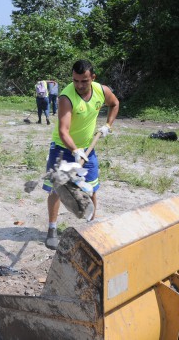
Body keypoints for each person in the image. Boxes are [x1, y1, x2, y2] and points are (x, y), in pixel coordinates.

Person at [42, 60, 119, 250]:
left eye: (84, 81)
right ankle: (52, 229)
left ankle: (91, 227)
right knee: (57, 189)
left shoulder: (102, 91)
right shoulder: (66, 98)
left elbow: (115, 104)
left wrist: (108, 125)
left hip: (87, 148)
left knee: (91, 189)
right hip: (62, 149)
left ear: (93, 78)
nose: (79, 85)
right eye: (76, 81)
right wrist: (75, 151)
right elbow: (63, 131)